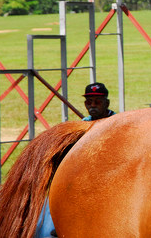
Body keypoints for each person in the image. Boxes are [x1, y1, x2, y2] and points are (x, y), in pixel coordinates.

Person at [36, 82, 116, 237]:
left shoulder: (118, 123)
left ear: (107, 103)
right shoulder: (80, 126)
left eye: (97, 101)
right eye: (89, 102)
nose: (92, 105)